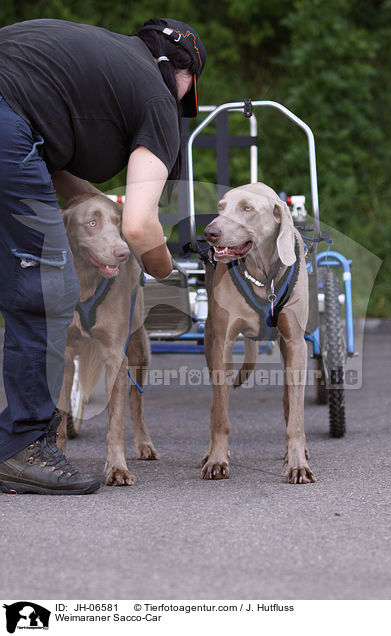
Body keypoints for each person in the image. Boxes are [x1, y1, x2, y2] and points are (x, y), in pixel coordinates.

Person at [0, 17, 207, 494]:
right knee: (48, 290)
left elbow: (48, 174)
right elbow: (139, 224)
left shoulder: (100, 62)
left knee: (20, 275)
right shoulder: (158, 99)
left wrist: (101, 214)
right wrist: (162, 268)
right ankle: (23, 447)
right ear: (183, 76)